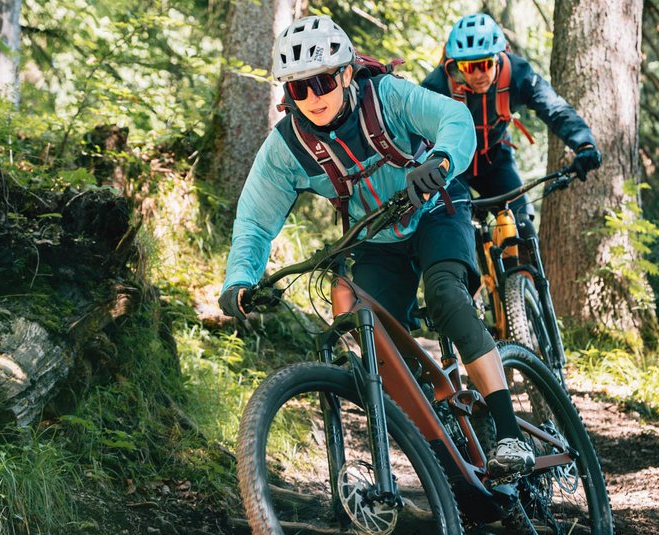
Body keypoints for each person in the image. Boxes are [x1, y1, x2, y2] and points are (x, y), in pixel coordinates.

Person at [218, 15, 534, 477]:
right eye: (299, 88)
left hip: (437, 207)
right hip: (376, 238)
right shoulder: (287, 147)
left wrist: (441, 161)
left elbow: (454, 118)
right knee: (379, 346)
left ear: (347, 73)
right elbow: (254, 219)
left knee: (447, 297)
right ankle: (441, 451)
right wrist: (240, 280)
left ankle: (510, 435)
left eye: (322, 82)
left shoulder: (386, 96)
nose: (313, 97)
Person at [422, 13, 602, 243]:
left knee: (523, 224)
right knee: (458, 226)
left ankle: (526, 265)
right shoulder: (437, 86)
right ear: (455, 65)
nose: (478, 74)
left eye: (485, 64)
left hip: (496, 158)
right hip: (453, 164)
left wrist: (584, 144)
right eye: (468, 67)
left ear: (498, 58)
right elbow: (413, 133)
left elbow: (555, 108)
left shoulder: (517, 74)